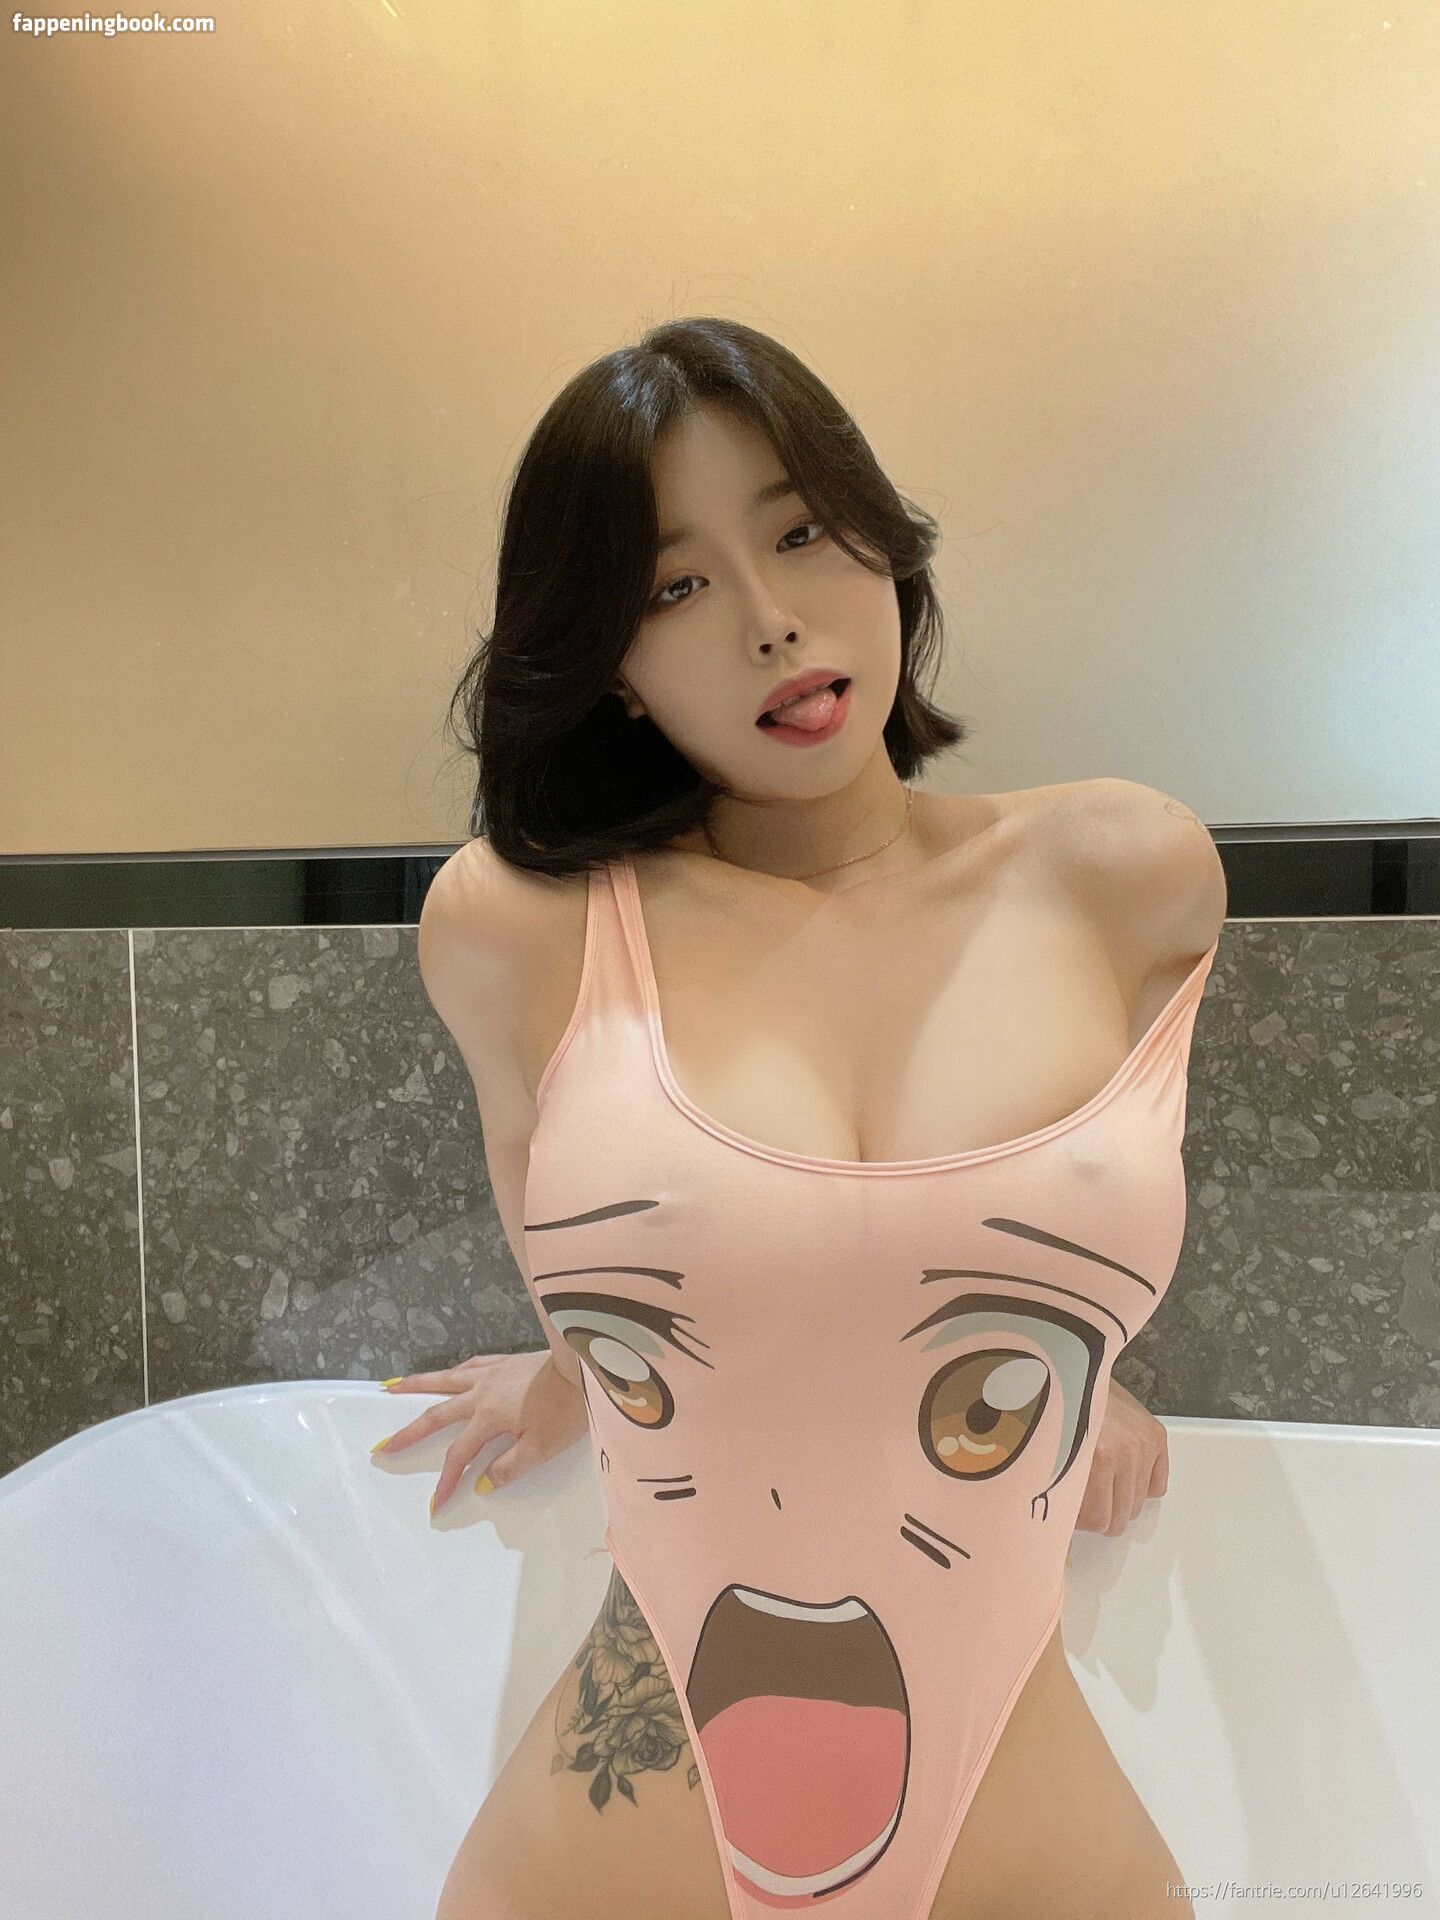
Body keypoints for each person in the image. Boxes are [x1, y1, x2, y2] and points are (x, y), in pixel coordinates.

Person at [375, 318, 1225, 1920]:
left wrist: (1069, 1372)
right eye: (673, 588)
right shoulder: (520, 931)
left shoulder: (1126, 876)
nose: (769, 619)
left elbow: (1031, 1233)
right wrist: (564, 1376)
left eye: (801, 533)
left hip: (1033, 1848)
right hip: (620, 1852)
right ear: (609, 665)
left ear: (885, 548)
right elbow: (587, 1267)